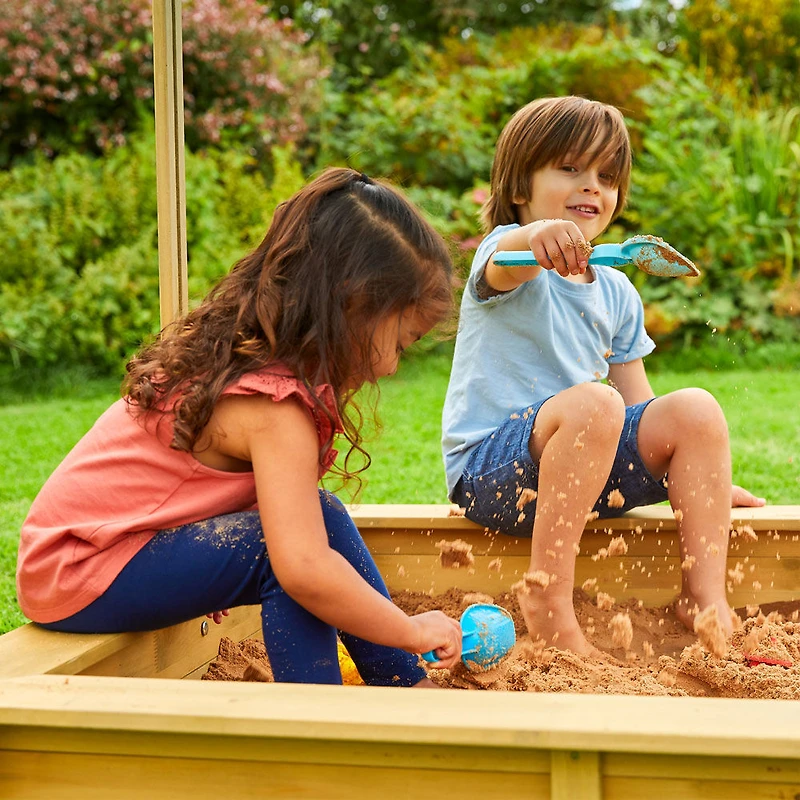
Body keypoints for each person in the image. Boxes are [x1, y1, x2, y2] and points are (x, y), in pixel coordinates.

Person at [17, 167, 462, 685]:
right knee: (287, 560)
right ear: (351, 305)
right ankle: (318, 731)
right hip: (79, 568)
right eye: (400, 343)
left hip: (98, 553)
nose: (390, 367)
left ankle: (406, 685)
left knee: (320, 519)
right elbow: (303, 570)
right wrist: (409, 630)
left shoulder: (249, 364)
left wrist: (205, 565)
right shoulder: (275, 409)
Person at [441, 96, 765, 656]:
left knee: (694, 409)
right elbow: (506, 261)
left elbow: (640, 406)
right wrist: (535, 238)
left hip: (585, 478)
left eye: (607, 176)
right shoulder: (504, 255)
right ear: (520, 188)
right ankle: (546, 597)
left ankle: (704, 601)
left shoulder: (616, 289)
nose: (592, 186)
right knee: (596, 403)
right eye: (569, 169)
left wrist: (693, 478)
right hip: (493, 476)